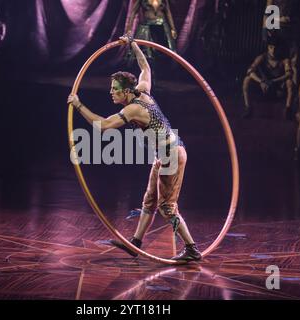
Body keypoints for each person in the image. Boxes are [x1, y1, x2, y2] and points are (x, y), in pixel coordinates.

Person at [67, 34, 201, 262]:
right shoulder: (142, 90)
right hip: (165, 155)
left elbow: (105, 126)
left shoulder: (134, 109)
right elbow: (145, 68)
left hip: (172, 156)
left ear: (126, 92)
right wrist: (133, 44)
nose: (111, 92)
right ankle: (136, 243)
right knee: (149, 200)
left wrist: (78, 105)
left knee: (167, 207)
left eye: (115, 89)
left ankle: (191, 249)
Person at [242, 39, 294, 119]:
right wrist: (261, 81)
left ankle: (288, 109)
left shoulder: (284, 60)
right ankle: (248, 107)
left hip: (277, 87)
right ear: (268, 48)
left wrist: (274, 81)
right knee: (247, 80)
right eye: (271, 47)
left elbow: (289, 73)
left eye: (275, 48)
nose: (273, 50)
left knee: (289, 82)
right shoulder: (262, 57)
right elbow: (249, 71)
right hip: (263, 86)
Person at [263, 0, 300, 85]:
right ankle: (280, 89)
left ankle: (293, 90)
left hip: (294, 30)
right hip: (278, 31)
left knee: (294, 62)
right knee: (279, 61)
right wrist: (266, 30)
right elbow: (268, 13)